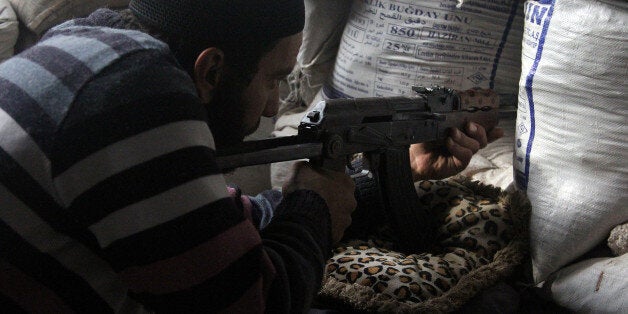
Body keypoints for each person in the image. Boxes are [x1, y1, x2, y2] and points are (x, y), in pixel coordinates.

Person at [0, 0, 499, 313]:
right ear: (212, 69)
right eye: (273, 79)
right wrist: (315, 210)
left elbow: (220, 226)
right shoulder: (137, 91)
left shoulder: (87, 49)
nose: (273, 105)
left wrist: (387, 177)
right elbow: (254, 302)